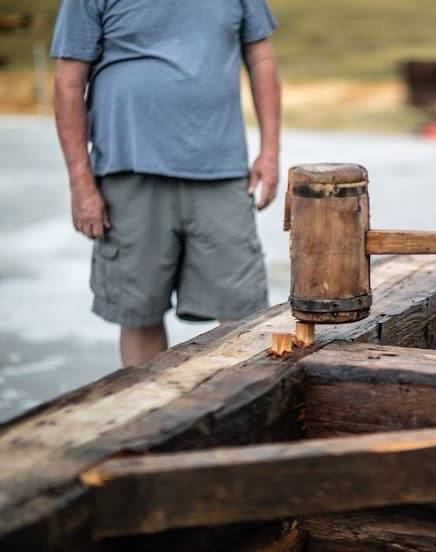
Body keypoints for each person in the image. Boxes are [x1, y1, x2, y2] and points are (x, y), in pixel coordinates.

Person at [52, 0, 282, 367]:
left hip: (219, 171)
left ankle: (245, 419)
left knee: (244, 312)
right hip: (128, 171)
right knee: (138, 312)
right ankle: (149, 415)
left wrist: (270, 153)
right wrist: (81, 183)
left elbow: (261, 58)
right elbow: (68, 80)